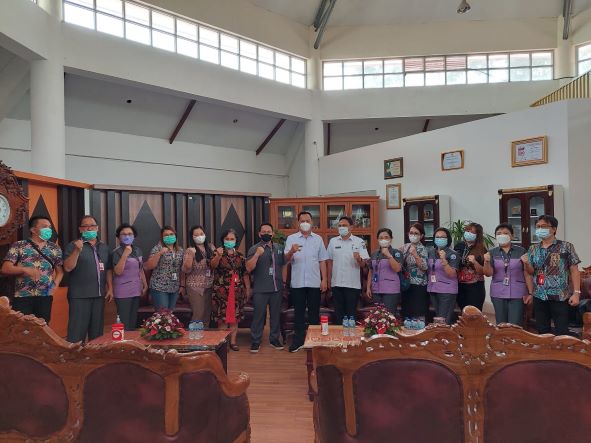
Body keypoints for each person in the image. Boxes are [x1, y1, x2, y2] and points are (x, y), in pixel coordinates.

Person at [522, 215, 581, 335]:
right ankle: (545, 348)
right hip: (539, 295)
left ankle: (561, 347)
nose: (540, 229)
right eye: (538, 226)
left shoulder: (566, 246)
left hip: (559, 296)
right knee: (542, 330)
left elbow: (574, 271)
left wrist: (576, 293)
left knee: (561, 331)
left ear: (554, 229)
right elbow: (530, 272)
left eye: (543, 226)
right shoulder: (533, 249)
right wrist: (527, 264)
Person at [2, 215, 63, 323]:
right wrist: (24, 270)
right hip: (22, 296)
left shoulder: (55, 248)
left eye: (49, 227)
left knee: (43, 327)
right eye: (44, 226)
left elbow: (60, 272)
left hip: (45, 297)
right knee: (22, 328)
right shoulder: (19, 245)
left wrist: (54, 285)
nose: (48, 229)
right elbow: (5, 268)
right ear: (33, 230)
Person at [284, 211, 329, 353]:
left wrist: (324, 279)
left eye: (307, 220)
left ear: (312, 222)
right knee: (299, 313)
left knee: (314, 314)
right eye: (302, 221)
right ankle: (298, 341)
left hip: (314, 283)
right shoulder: (291, 238)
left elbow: (322, 261)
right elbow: (286, 259)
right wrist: (291, 251)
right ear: (298, 223)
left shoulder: (318, 239)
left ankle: (314, 342)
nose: (305, 223)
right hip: (297, 283)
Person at [63, 215, 112, 342]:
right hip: (80, 296)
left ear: (97, 228)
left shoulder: (104, 247)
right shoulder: (73, 245)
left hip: (99, 295)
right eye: (85, 226)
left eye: (92, 225)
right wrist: (77, 251)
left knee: (97, 333)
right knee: (77, 332)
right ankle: (74, 354)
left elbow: (108, 269)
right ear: (80, 229)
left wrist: (110, 288)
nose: (89, 228)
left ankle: (94, 354)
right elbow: (67, 267)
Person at [483, 223, 532, 326]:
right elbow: (488, 273)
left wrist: (530, 292)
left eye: (506, 233)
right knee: (501, 323)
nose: (502, 235)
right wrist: (486, 262)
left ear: (512, 236)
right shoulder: (492, 252)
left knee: (515, 324)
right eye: (499, 233)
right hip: (498, 292)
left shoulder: (521, 251)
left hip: (518, 292)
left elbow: (527, 273)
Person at [246, 222, 285, 353]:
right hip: (260, 289)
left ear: (273, 234)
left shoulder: (279, 248)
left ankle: (274, 339)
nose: (266, 234)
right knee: (258, 316)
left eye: (269, 232)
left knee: (275, 316)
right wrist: (257, 255)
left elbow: (284, 263)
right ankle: (255, 341)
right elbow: (248, 268)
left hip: (276, 288)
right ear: (259, 234)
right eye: (264, 232)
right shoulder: (254, 248)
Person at [211, 229, 250, 351]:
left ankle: (233, 342)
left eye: (232, 239)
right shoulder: (217, 252)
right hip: (221, 292)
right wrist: (218, 256)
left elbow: (244, 273)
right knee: (222, 319)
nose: (229, 241)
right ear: (223, 240)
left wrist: (248, 289)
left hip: (237, 291)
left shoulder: (240, 255)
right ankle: (223, 343)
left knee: (234, 319)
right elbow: (212, 266)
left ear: (236, 241)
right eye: (227, 239)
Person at [328, 216, 369, 323]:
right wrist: (329, 281)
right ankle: (340, 334)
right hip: (336, 284)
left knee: (351, 316)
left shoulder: (359, 242)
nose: (341, 227)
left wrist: (359, 259)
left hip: (352, 285)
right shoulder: (333, 241)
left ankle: (351, 334)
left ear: (351, 227)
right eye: (340, 225)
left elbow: (364, 265)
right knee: (339, 316)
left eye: (344, 225)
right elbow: (330, 262)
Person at [109, 223, 147, 331]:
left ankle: (131, 340)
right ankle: (123, 341)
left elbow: (140, 269)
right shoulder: (116, 252)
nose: (127, 236)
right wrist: (125, 254)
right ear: (118, 237)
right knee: (124, 321)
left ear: (134, 236)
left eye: (130, 234)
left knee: (133, 322)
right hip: (122, 291)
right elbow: (117, 271)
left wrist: (145, 284)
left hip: (136, 289)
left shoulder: (138, 250)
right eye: (124, 234)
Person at [144, 226, 184, 311]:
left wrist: (182, 285)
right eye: (166, 235)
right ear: (162, 237)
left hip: (174, 287)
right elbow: (149, 266)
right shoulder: (157, 248)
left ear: (175, 236)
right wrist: (159, 254)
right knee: (162, 314)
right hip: (159, 287)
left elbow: (181, 269)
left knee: (170, 314)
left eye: (171, 234)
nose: (169, 236)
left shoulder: (180, 250)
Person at [182, 225, 215, 325]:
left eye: (201, 234)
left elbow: (215, 265)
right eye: (196, 235)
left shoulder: (211, 248)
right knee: (198, 314)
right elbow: (186, 270)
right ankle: (195, 334)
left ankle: (205, 334)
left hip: (209, 285)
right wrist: (190, 256)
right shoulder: (190, 250)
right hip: (194, 287)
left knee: (207, 315)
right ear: (192, 237)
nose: (199, 236)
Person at [427, 227, 459, 325]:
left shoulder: (453, 254)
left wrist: (444, 260)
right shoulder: (431, 252)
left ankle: (445, 335)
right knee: (438, 318)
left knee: (443, 320)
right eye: (437, 237)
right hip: (433, 289)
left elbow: (452, 274)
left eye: (443, 237)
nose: (440, 239)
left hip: (447, 290)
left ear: (448, 239)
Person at [366, 228, 402, 314]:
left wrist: (389, 255)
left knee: (389, 316)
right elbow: (371, 271)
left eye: (386, 237)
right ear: (378, 239)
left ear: (391, 239)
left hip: (391, 290)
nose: (383, 240)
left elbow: (397, 269)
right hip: (376, 289)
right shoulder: (374, 254)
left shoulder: (396, 253)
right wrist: (368, 287)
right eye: (381, 238)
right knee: (377, 316)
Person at [454, 222, 487, 311]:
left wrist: (475, 262)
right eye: (467, 231)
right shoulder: (459, 246)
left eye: (472, 232)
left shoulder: (482, 249)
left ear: (477, 235)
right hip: (460, 285)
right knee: (463, 312)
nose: (468, 233)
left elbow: (484, 271)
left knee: (474, 313)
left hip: (475, 287)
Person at [400, 223, 429, 318]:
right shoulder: (405, 247)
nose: (413, 235)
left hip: (418, 285)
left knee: (417, 313)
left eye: (416, 233)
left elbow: (424, 267)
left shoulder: (423, 249)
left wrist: (415, 255)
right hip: (406, 284)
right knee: (406, 313)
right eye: (411, 233)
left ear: (421, 236)